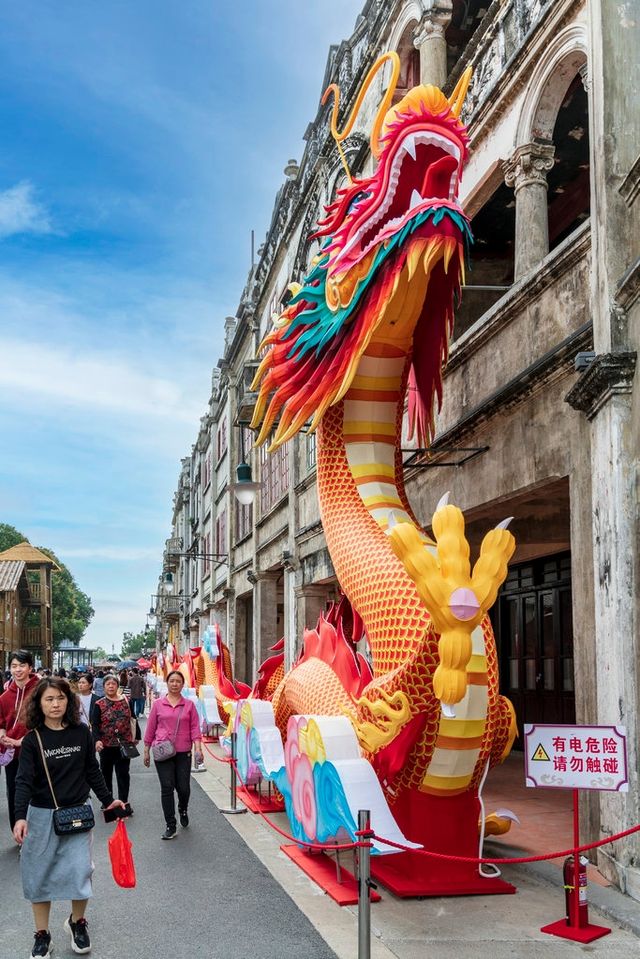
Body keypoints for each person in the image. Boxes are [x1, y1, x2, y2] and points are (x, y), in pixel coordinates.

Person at [13, 677, 125, 958]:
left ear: (69, 701)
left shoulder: (81, 733)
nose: (55, 704)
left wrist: (108, 800)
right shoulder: (32, 739)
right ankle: (42, 935)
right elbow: (23, 781)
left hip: (77, 814)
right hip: (40, 815)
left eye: (60, 698)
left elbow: (92, 771)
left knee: (80, 871)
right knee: (38, 876)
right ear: (39, 703)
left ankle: (77, 923)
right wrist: (19, 817)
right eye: (49, 699)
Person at [143, 670, 203, 840]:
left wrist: (198, 748)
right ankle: (170, 825)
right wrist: (146, 750)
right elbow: (151, 728)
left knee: (183, 788)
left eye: (178, 681)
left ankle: (182, 808)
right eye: (172, 681)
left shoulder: (189, 705)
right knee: (167, 787)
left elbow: (194, 729)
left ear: (182, 685)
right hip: (162, 751)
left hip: (183, 752)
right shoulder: (158, 705)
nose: (175, 684)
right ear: (167, 683)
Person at [0, 650, 40, 834]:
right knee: (14, 791)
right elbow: (1, 722)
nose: (18, 670)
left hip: (36, 752)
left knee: (36, 790)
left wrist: (21, 741)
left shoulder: (40, 691)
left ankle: (37, 832)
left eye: (22, 665)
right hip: (12, 754)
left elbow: (44, 722)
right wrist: (2, 735)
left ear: (30, 667)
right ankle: (18, 831)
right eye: (14, 666)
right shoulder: (5, 696)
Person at [91, 675, 140, 810]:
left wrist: (136, 737)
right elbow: (95, 725)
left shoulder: (126, 701)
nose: (111, 686)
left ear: (117, 686)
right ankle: (108, 801)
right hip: (106, 745)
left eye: (113, 684)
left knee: (123, 775)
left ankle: (124, 802)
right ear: (104, 687)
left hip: (124, 744)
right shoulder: (99, 704)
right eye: (108, 684)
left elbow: (133, 718)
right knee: (106, 774)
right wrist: (97, 740)